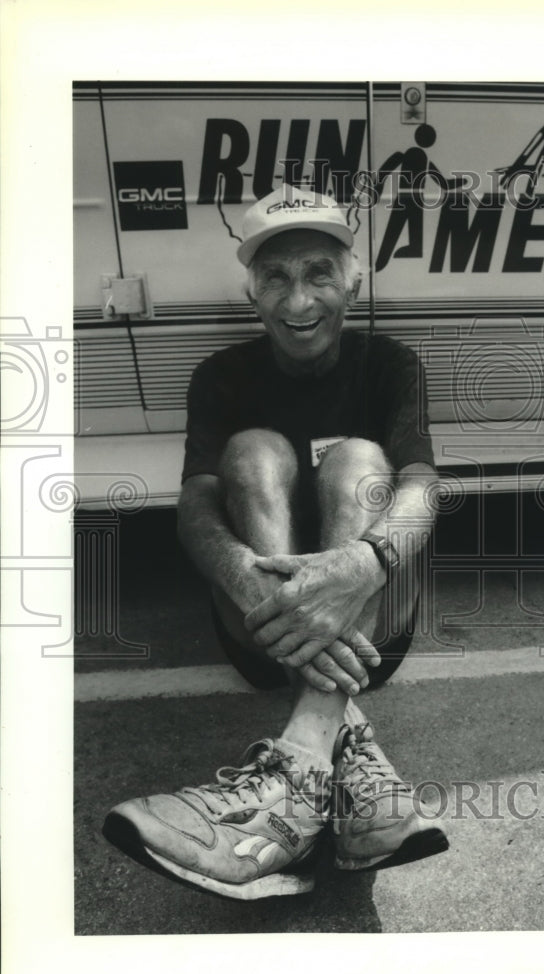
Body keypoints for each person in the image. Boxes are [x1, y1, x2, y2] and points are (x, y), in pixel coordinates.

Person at [103, 185, 448, 901]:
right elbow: (195, 513)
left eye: (319, 272)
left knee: (360, 460)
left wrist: (363, 562)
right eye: (277, 278)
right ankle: (347, 771)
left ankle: (295, 781)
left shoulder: (391, 364)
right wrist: (250, 580)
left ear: (353, 280)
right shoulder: (219, 376)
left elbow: (422, 491)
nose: (299, 301)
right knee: (253, 450)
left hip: (369, 629)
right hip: (261, 627)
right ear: (251, 292)